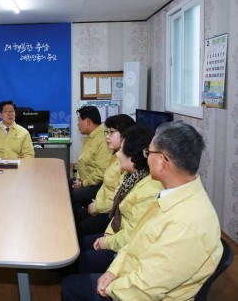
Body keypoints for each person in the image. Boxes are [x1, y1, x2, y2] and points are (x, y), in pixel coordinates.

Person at [61, 121, 223, 301]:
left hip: (142, 293)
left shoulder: (187, 223)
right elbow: (137, 238)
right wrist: (114, 270)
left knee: (70, 286)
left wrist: (112, 287)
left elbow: (145, 288)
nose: (145, 157)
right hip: (132, 271)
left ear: (161, 161)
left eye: (149, 152)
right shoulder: (173, 195)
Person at [76, 125, 162, 273]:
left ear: (134, 156)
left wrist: (107, 242)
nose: (118, 155)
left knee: (77, 266)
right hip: (116, 235)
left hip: (126, 251)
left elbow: (133, 235)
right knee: (82, 244)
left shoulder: (150, 190)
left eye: (122, 151)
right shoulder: (129, 176)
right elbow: (118, 216)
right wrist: (108, 235)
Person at [76, 114, 136, 237]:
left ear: (126, 134)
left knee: (78, 229)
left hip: (110, 214)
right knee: (73, 218)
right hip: (101, 206)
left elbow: (119, 199)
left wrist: (97, 207)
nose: (107, 136)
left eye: (112, 132)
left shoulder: (127, 162)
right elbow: (106, 186)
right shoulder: (114, 154)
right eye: (106, 132)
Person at [70, 106, 111, 207]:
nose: (77, 124)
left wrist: (83, 184)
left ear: (87, 121)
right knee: (65, 183)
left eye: (79, 120)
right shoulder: (90, 137)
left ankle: (75, 222)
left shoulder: (103, 139)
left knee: (71, 195)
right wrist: (79, 179)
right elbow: (82, 162)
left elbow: (101, 172)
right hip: (85, 181)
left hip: (97, 185)